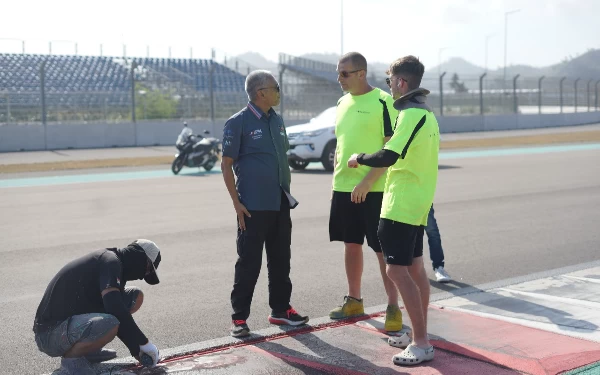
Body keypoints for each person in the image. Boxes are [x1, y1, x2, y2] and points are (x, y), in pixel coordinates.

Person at [348, 55, 439, 365]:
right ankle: (417, 332)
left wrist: (359, 157)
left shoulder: (411, 114)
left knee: (396, 270)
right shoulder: (428, 114)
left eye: (390, 82)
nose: (389, 87)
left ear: (401, 83)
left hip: (401, 204)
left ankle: (422, 342)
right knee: (415, 269)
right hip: (417, 203)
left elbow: (388, 155)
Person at [221, 70, 308, 338]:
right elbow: (226, 166)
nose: (279, 91)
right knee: (249, 263)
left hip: (280, 202)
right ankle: (239, 318)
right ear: (261, 92)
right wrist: (237, 204)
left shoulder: (277, 120)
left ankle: (280, 310)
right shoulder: (238, 122)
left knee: (281, 260)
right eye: (275, 87)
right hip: (252, 207)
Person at [328, 52, 403, 333]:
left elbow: (389, 150)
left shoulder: (384, 102)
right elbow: (342, 142)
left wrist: (367, 183)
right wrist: (337, 173)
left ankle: (393, 306)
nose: (339, 79)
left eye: (344, 73)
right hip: (343, 187)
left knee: (382, 250)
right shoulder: (341, 102)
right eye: (338, 73)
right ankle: (354, 300)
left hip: (374, 189)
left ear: (361, 73)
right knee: (351, 244)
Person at [33, 239, 162, 375]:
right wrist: (143, 343)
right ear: (139, 256)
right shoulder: (110, 261)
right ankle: (71, 364)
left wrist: (137, 349)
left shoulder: (115, 263)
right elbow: (114, 307)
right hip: (49, 334)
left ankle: (88, 351)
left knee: (135, 296)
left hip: (65, 325)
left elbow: (115, 307)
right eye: (147, 269)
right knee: (110, 323)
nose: (143, 277)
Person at [426, 205, 452, 282]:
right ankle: (412, 270)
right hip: (404, 202)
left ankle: (439, 267)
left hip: (424, 201)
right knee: (411, 235)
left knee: (432, 233)